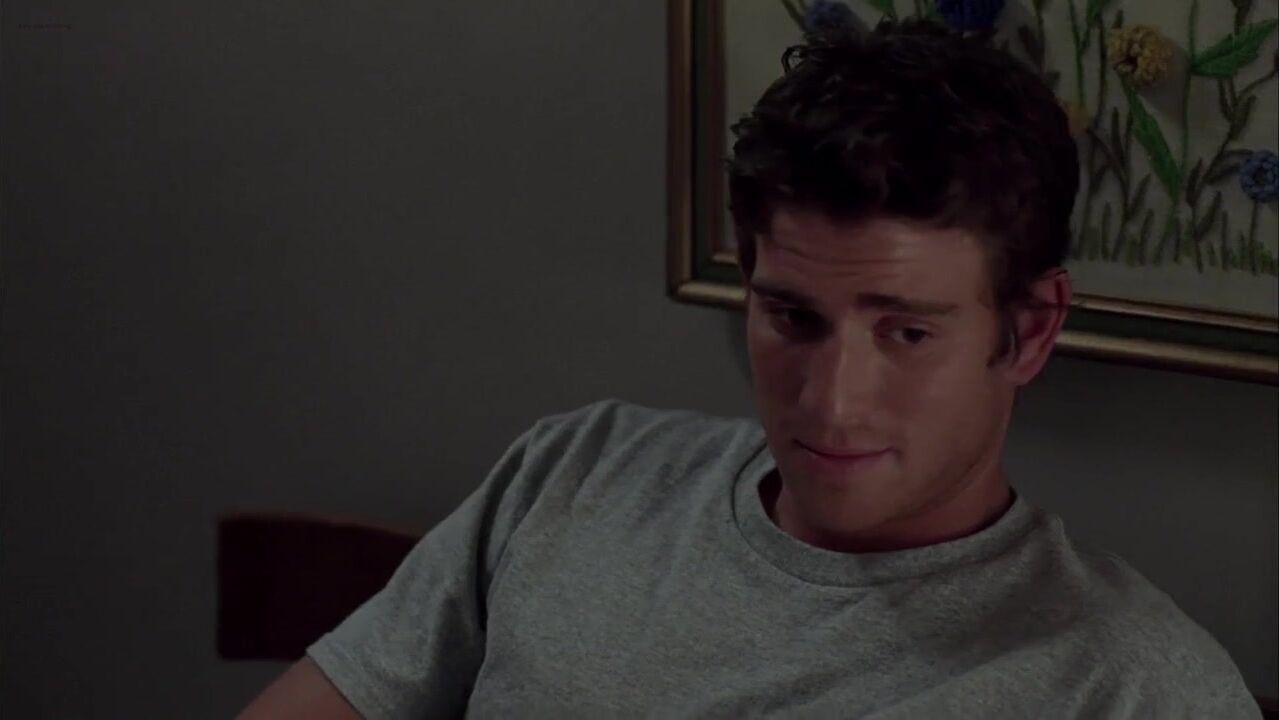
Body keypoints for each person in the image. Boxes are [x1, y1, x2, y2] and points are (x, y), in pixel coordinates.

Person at [239, 18, 1263, 719]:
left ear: (1030, 331)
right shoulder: (579, 470)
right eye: (791, 317)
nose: (831, 402)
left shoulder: (1133, 689)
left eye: (906, 333)